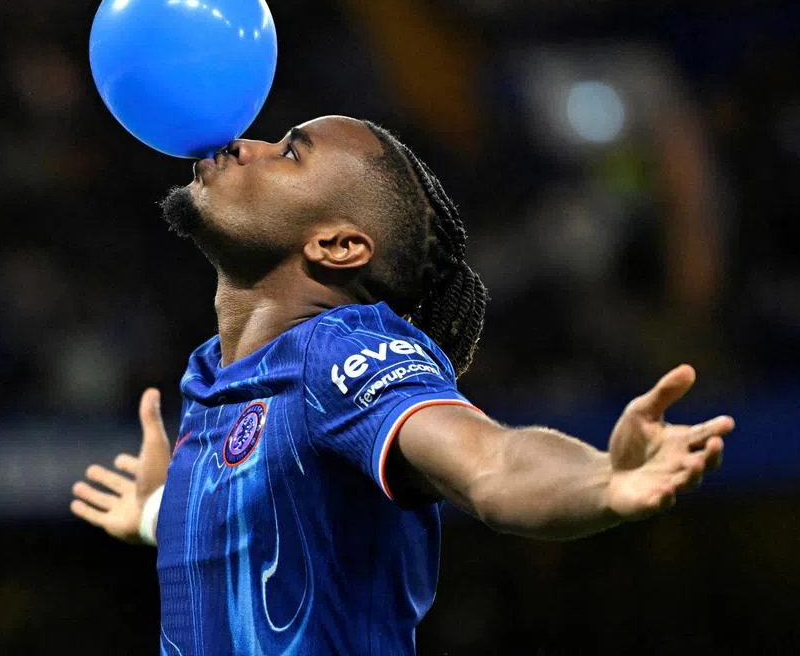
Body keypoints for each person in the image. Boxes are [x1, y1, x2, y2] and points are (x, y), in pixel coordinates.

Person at [69, 116, 734, 655]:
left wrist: (602, 483)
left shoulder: (342, 351)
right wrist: (165, 513)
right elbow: (273, 534)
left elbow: (489, 461)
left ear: (336, 246)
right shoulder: (213, 375)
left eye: (289, 154)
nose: (245, 143)